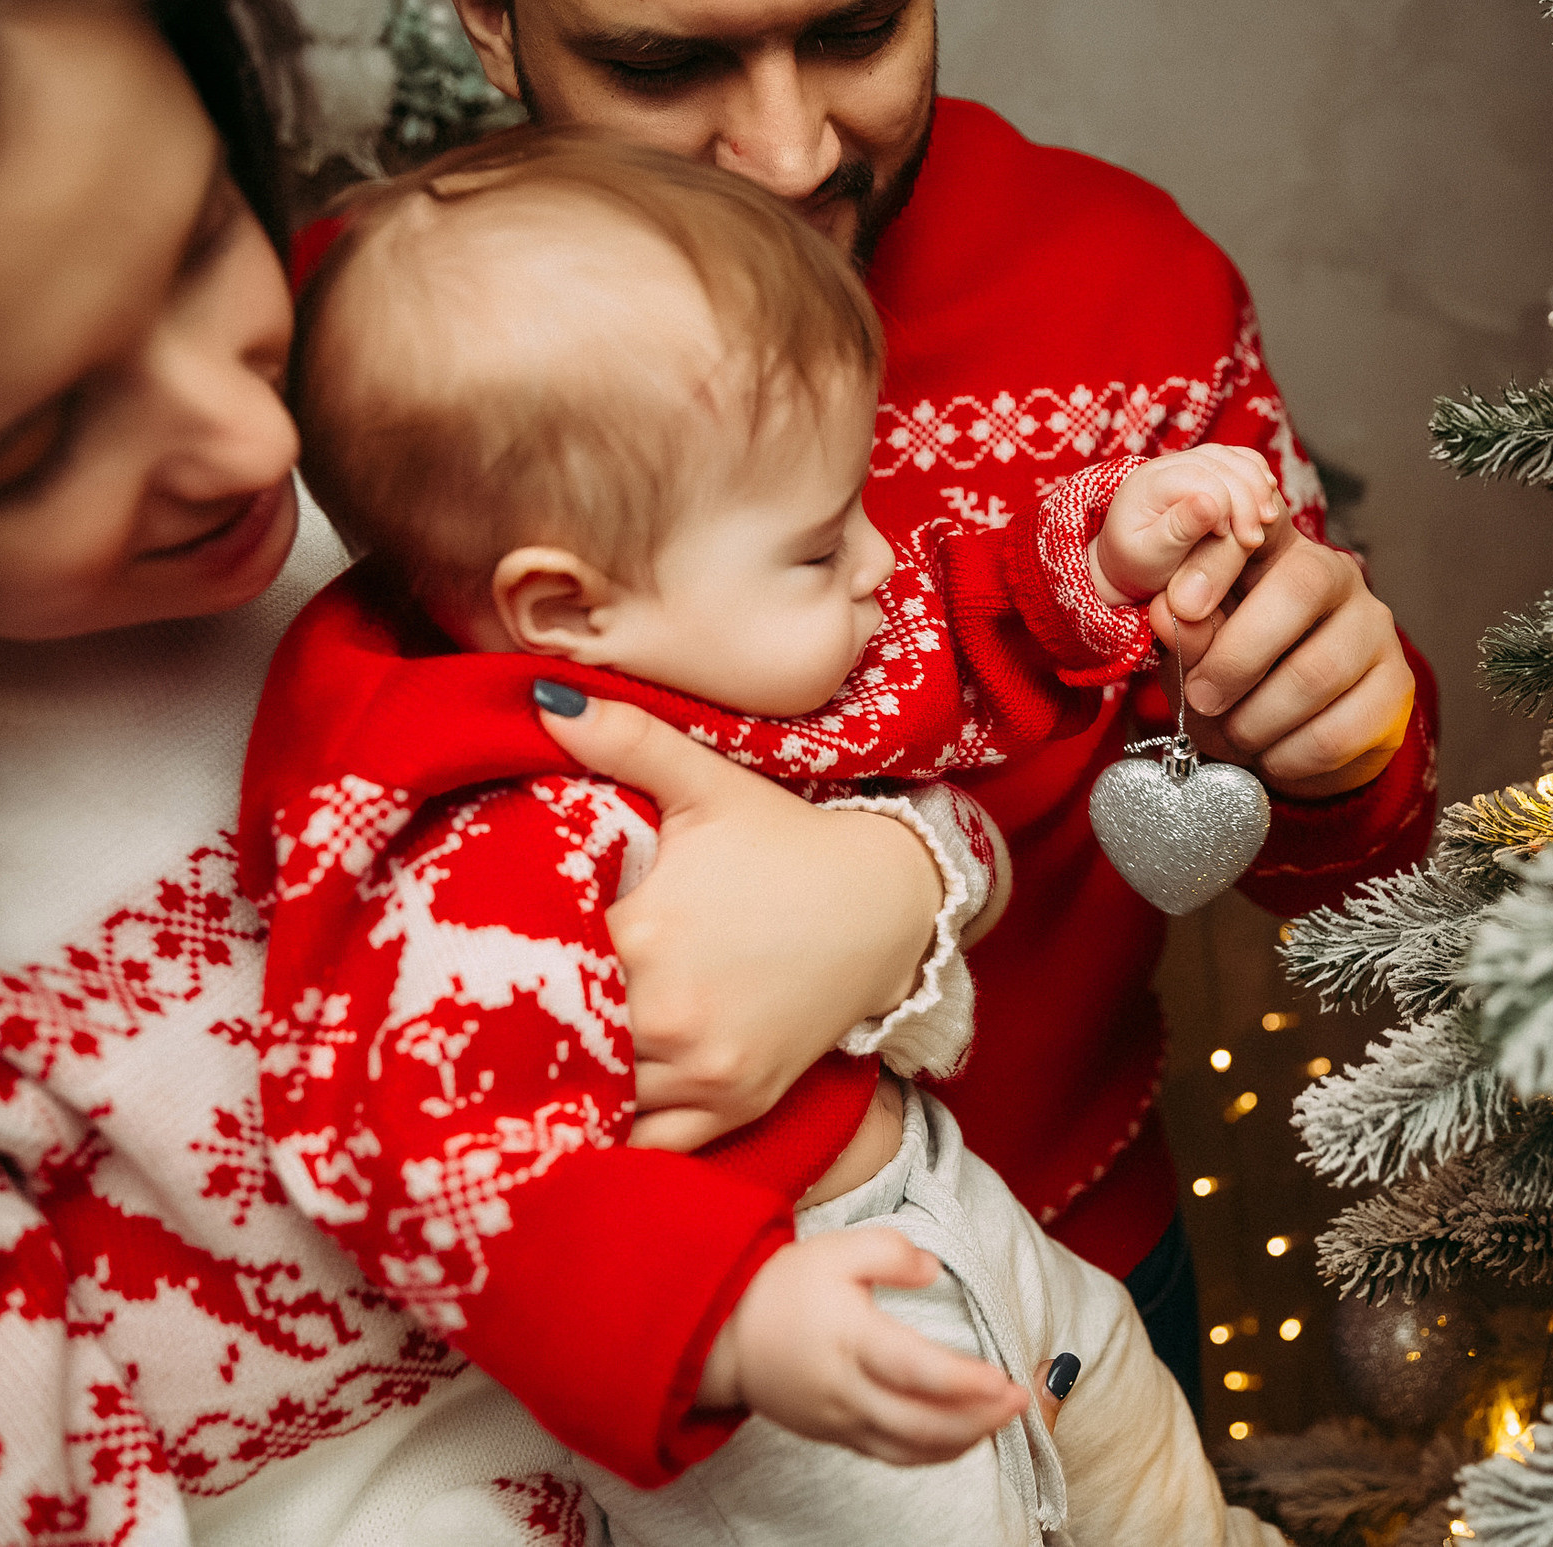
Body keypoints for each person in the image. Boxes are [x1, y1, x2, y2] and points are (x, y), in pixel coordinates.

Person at [0, 1, 1017, 1541]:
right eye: (41, 438)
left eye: (199, 243)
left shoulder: (399, 456)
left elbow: (823, 739)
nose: (253, 437)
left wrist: (898, 881)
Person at [253, 126, 1292, 1544]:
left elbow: (929, 644)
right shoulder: (480, 846)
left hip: (973, 1230)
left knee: (1152, 1464)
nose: (874, 557)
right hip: (799, 1343)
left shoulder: (679, 645)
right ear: (564, 608)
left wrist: (1106, 555)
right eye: (815, 546)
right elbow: (447, 1169)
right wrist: (730, 1322)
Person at [443, 0, 1443, 1398]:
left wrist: (1343, 752)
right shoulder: (384, 364)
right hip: (606, 1350)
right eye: (662, 65)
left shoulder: (1136, 291)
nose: (789, 155)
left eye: (855, 32)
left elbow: (1352, 884)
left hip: (1075, 1282)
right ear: (490, 23)